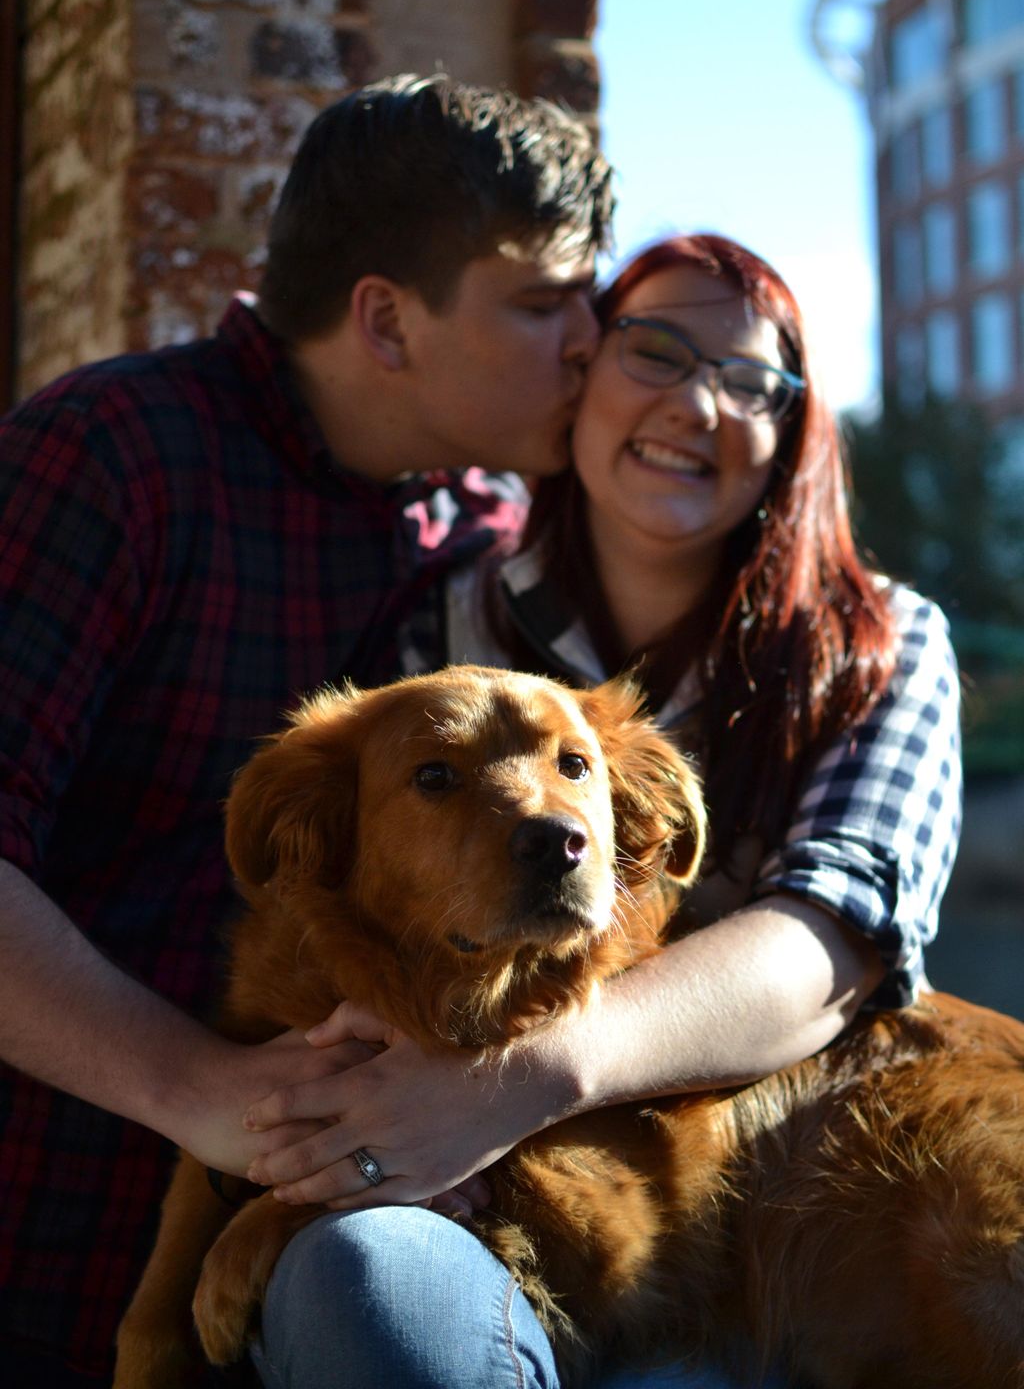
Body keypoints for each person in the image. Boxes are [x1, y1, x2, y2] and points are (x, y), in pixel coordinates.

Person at [239, 234, 962, 1388]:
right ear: (582, 375)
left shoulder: (881, 646)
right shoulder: (443, 625)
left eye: (748, 381)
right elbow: (351, 926)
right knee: (359, 1280)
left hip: (792, 1194)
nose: (696, 403)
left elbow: (837, 934)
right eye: (657, 351)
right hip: (492, 1201)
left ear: (790, 434)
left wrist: (507, 1085)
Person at [0, 74, 613, 1385]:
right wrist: (202, 1092)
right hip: (48, 1238)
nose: (591, 339)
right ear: (386, 321)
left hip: (324, 1264)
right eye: (542, 299)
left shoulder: (480, 539)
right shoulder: (107, 460)